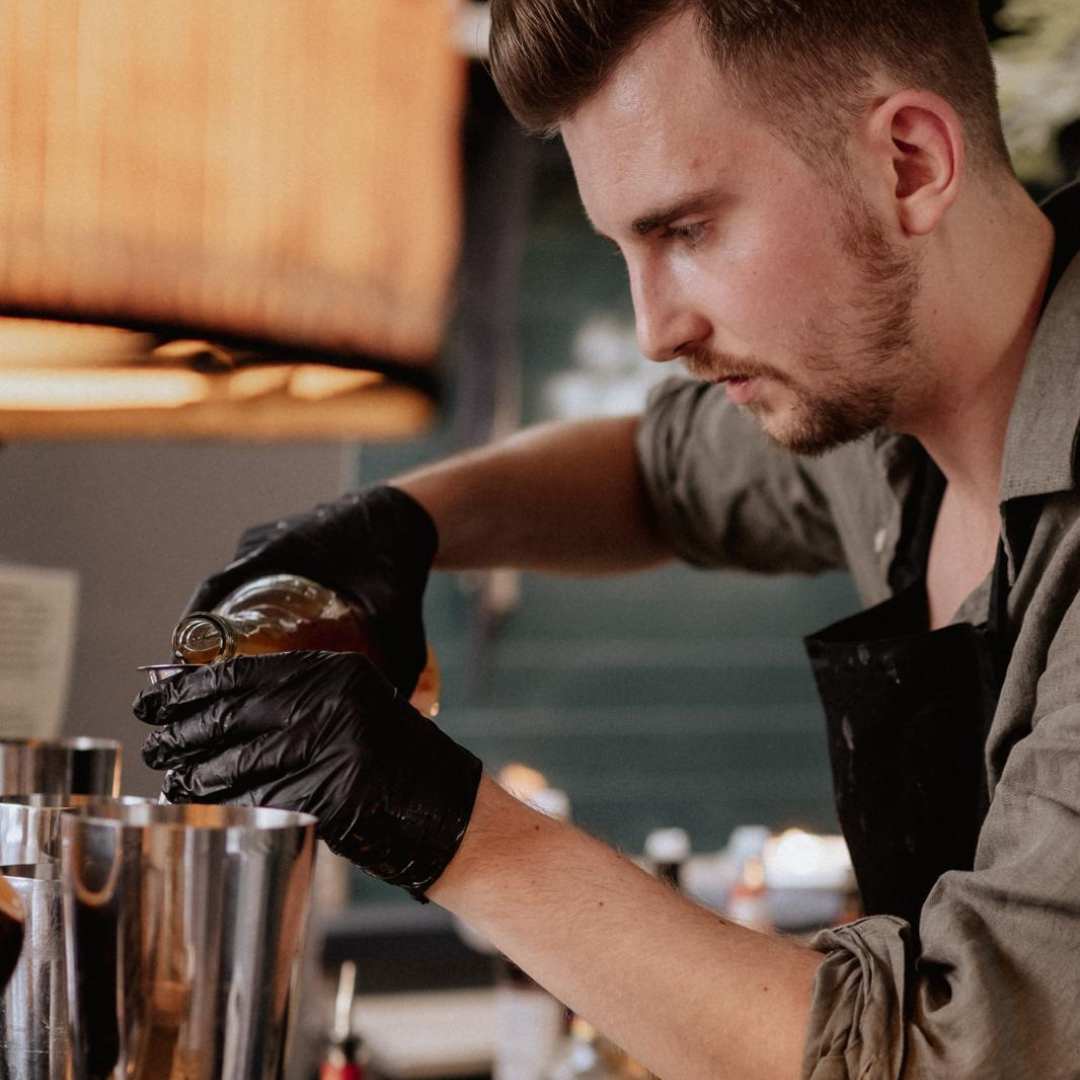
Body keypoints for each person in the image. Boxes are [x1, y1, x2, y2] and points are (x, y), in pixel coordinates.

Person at [133, 1, 1080, 1076]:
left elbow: (955, 1052)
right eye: (625, 245)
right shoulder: (877, 425)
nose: (654, 330)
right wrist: (401, 522)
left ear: (910, 163)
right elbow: (651, 474)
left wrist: (438, 820)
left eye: (687, 230)